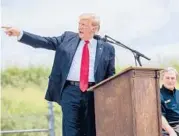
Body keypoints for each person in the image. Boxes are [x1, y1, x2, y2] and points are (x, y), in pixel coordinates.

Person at [2, 13, 115, 136]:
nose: (79, 27)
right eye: (79, 24)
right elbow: (45, 41)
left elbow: (110, 75)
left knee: (90, 131)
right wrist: (20, 34)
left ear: (94, 28)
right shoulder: (67, 38)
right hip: (70, 91)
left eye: (83, 24)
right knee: (70, 130)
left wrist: (108, 97)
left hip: (93, 93)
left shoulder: (107, 48)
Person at [160, 67, 179, 136]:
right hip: (169, 127)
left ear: (176, 80)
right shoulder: (157, 94)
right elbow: (160, 116)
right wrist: (171, 132)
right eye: (167, 78)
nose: (170, 81)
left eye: (172, 78)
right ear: (162, 79)